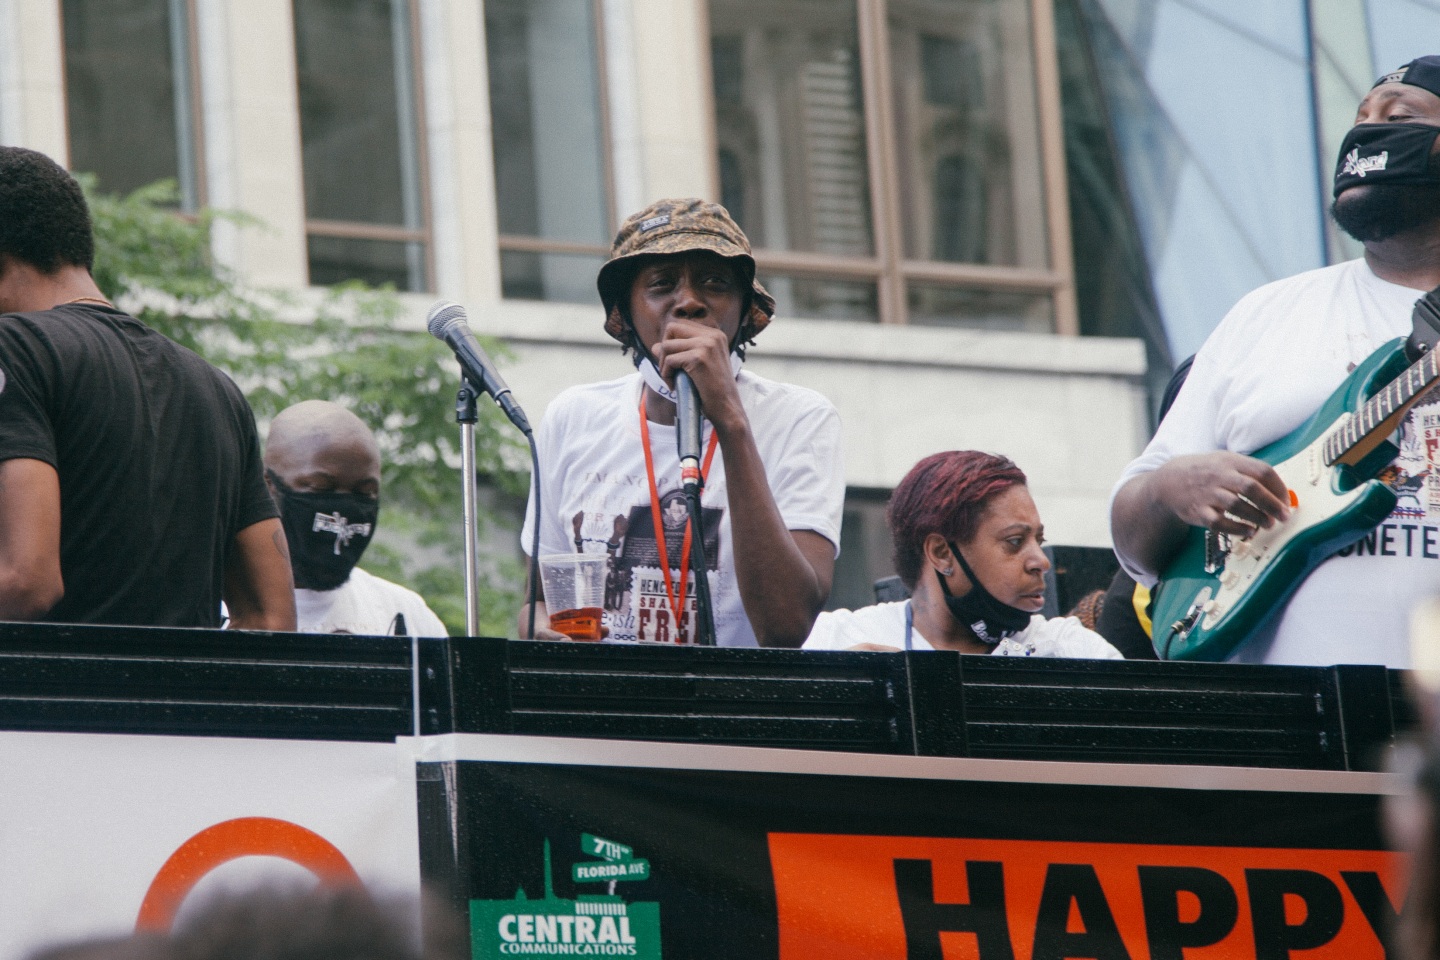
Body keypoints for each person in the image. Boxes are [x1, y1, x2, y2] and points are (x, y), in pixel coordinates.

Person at [1110, 55, 1440, 667]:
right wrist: (1170, 487)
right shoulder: (1268, 314)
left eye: (1398, 117)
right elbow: (1132, 534)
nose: (1366, 132)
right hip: (1277, 733)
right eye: (1360, 116)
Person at [518, 198, 844, 647]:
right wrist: (547, 635)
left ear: (743, 309)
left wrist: (730, 421)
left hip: (732, 711)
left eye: (714, 283)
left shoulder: (799, 419)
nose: (689, 302)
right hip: (604, 708)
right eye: (661, 284)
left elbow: (785, 627)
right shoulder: (574, 417)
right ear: (627, 314)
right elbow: (538, 603)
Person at [0, 146, 293, 629]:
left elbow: (26, 580)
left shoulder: (14, 349)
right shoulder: (218, 390)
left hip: (51, 701)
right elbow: (271, 617)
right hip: (185, 704)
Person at [804, 451, 1121, 657]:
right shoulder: (835, 641)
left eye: (1039, 540)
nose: (1041, 561)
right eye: (1014, 542)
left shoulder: (1073, 651)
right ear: (942, 553)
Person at [265, 400, 447, 637]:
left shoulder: (405, 613)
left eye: (364, 493)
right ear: (267, 487)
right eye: (320, 488)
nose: (343, 508)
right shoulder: (215, 608)